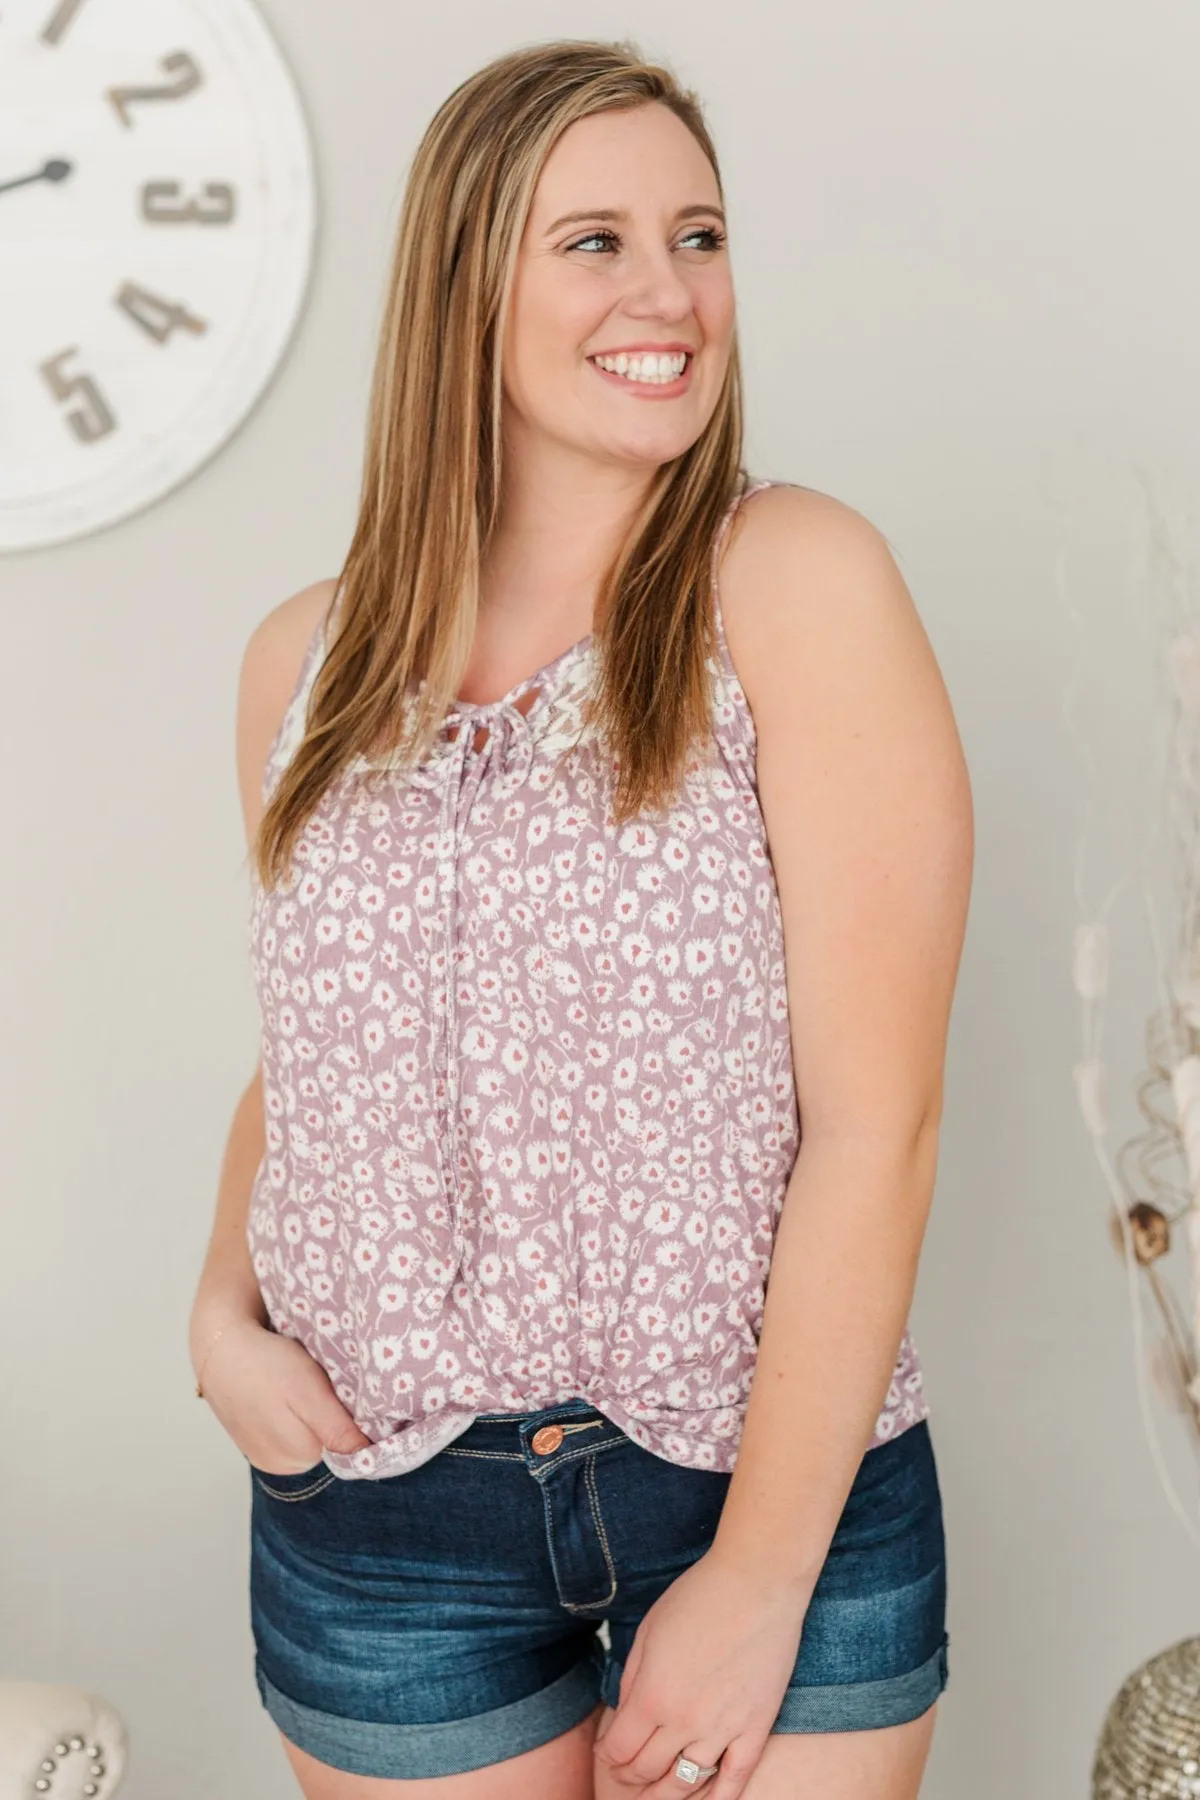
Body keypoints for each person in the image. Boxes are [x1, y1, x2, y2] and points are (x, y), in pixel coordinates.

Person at [188, 35, 973, 1800]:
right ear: (467, 282)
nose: (672, 293)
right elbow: (310, 1065)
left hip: (756, 1482)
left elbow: (879, 1122)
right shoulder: (302, 669)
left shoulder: (794, 584)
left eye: (699, 236)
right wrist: (215, 1317)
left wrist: (760, 1575)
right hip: (380, 1523)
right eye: (597, 240)